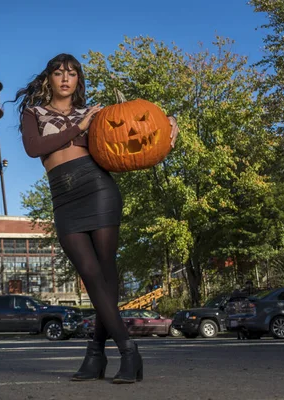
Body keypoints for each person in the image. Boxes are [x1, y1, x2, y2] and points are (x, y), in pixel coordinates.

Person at [14, 53, 179, 384]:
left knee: (104, 272)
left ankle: (110, 355)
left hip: (98, 189)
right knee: (89, 274)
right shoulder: (33, 113)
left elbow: (133, 127)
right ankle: (110, 353)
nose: (65, 78)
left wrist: (169, 123)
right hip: (63, 198)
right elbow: (34, 148)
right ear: (48, 78)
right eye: (59, 73)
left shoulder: (95, 114)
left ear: (78, 80)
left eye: (72, 73)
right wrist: (79, 127)